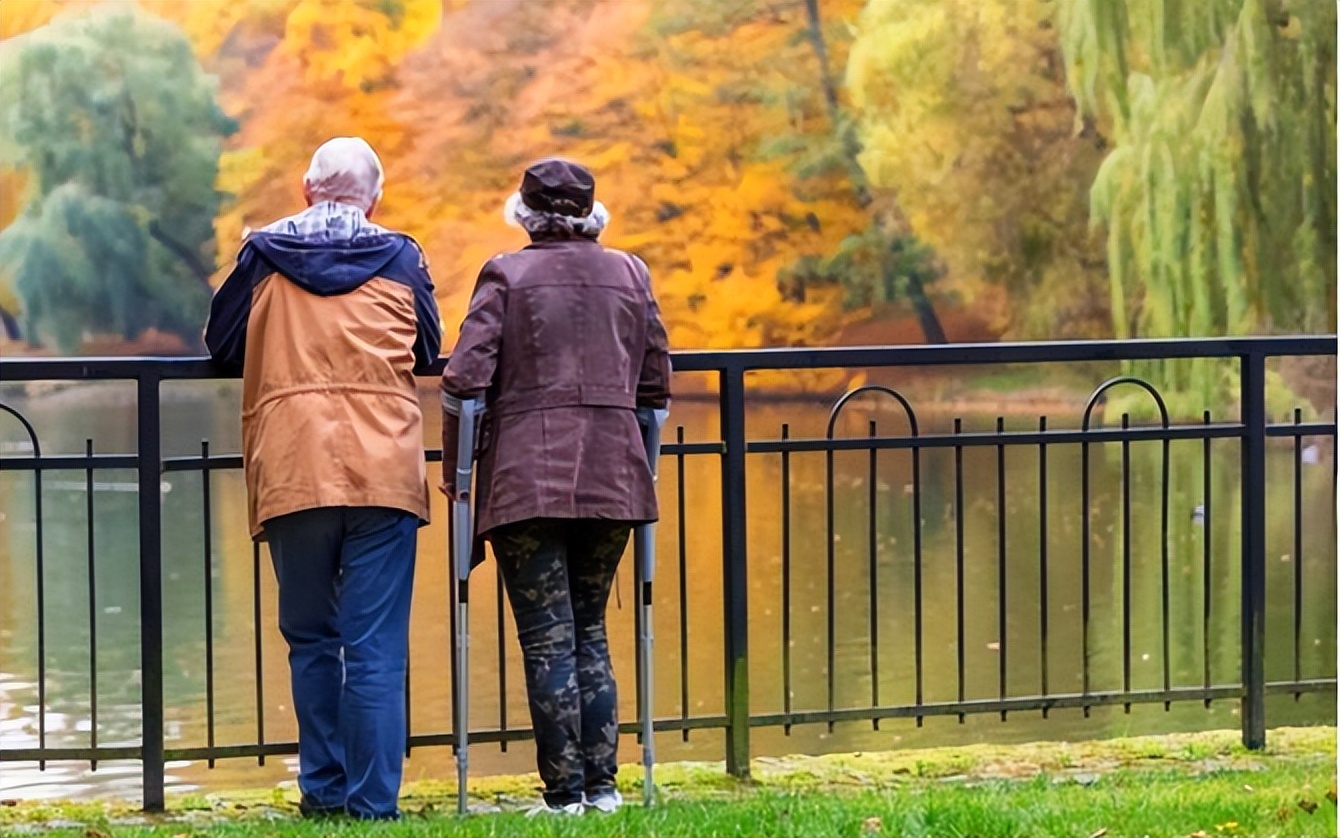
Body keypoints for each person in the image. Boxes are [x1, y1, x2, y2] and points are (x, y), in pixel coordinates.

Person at [204, 137, 441, 820]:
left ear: (307, 189)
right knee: (374, 647)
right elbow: (427, 347)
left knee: (312, 638)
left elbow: (220, 345)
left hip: (293, 463)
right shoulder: (401, 256)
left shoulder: (262, 255)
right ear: (375, 198)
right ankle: (373, 804)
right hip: (384, 469)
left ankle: (322, 789)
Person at [440, 158, 671, 815]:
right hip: (614, 473)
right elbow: (656, 383)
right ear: (592, 213)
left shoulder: (506, 275)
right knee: (591, 630)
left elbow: (463, 380)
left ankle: (564, 793)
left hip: (525, 482)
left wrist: (456, 476)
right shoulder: (631, 273)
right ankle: (604, 788)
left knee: (547, 636)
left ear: (526, 213)